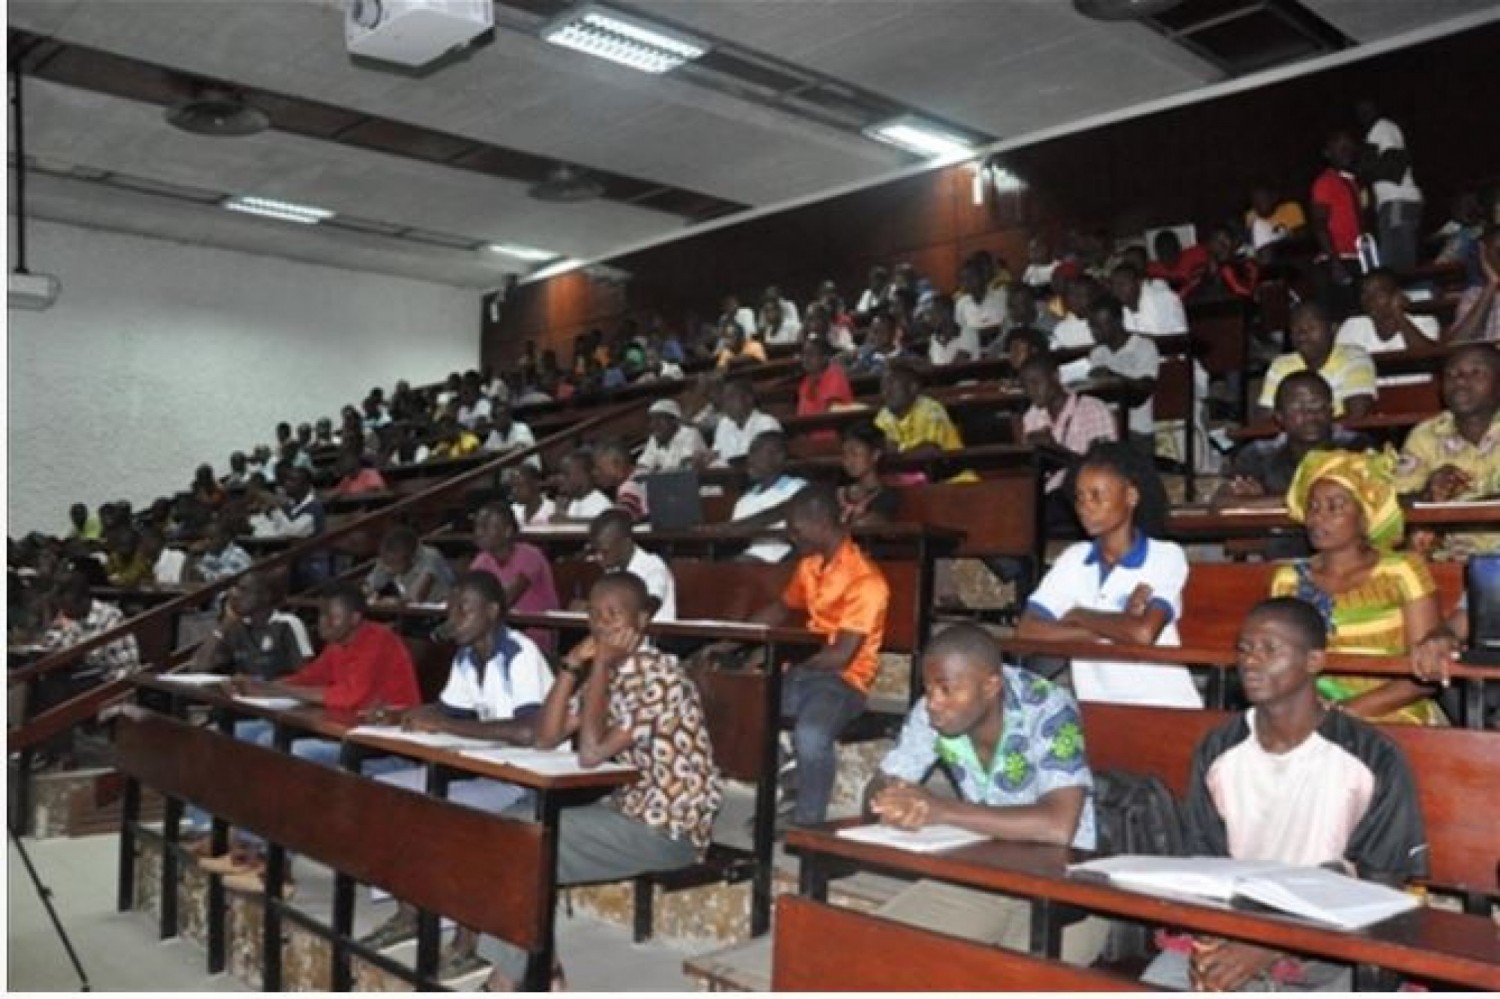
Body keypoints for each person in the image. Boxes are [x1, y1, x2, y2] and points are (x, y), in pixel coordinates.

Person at [1140, 597, 1428, 992]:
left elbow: (1379, 886)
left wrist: (1273, 943)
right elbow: (1206, 862)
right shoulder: (1220, 748)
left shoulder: (1371, 756)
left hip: (1330, 941)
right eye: (1244, 649)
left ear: (1313, 661)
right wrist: (1217, 940)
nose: (1250, 661)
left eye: (1269, 649)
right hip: (1237, 926)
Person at [481, 572, 722, 991]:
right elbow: (546, 736)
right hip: (628, 809)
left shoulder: (661, 676)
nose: (602, 625)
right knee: (511, 823)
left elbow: (591, 753)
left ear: (642, 620)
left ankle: (507, 981)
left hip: (668, 828)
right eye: (594, 614)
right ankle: (544, 970)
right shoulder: (609, 671)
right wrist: (574, 666)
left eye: (615, 614)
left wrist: (602, 669)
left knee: (523, 845)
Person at [864, 624, 1105, 965]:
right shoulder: (932, 711)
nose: (933, 703)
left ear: (991, 686)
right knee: (876, 952)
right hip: (985, 872)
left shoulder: (1048, 707)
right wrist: (891, 801)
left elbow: (1057, 826)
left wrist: (942, 810)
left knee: (1009, 979)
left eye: (947, 690)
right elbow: (883, 781)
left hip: (1068, 888)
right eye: (928, 688)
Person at [360, 572, 555, 978]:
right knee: (388, 792)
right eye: (451, 608)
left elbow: (528, 732)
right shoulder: (467, 657)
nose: (453, 618)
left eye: (463, 609)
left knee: (457, 818)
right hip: (490, 771)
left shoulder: (520, 654)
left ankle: (471, 941)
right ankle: (409, 911)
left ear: (493, 611)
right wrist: (399, 715)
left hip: (531, 781)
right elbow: (450, 713)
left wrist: (444, 727)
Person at [703, 486, 890, 827]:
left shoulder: (866, 580)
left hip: (843, 682)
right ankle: (789, 777)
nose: (790, 536)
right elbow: (780, 608)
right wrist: (731, 639)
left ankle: (808, 824)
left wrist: (775, 661)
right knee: (743, 709)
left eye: (795, 528)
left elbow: (841, 656)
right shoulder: (810, 565)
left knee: (812, 734)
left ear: (819, 524)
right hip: (804, 673)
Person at [1018, 441, 1201, 707]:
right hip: (1097, 709)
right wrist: (1119, 624)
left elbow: (1142, 635)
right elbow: (1028, 631)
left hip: (1165, 706)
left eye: (1097, 496)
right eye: (1080, 497)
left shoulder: (1165, 556)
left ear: (1131, 497)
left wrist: (1078, 615)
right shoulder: (1074, 559)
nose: (1085, 507)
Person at [1274, 449, 1446, 724]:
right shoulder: (1289, 579)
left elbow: (1424, 677)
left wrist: (1343, 712)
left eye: (1335, 506)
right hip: (1312, 710)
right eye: (1313, 507)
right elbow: (1281, 664)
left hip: (1391, 712)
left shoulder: (1402, 571)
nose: (1319, 518)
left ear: (1365, 515)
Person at [1215, 372, 1368, 556]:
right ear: (1279, 416)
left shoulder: (1356, 447)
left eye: (1318, 405)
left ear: (1332, 410)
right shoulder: (1258, 454)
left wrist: (1263, 502)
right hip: (1282, 558)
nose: (1310, 415)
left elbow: (1366, 502)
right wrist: (1319, 503)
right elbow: (1222, 506)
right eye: (1298, 407)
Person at [1394, 344, 1500, 558]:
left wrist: (1464, 506)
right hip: (1447, 560)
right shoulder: (1425, 435)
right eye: (1451, 374)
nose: (1459, 380)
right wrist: (1428, 493)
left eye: (1475, 372)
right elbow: (1394, 502)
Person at [1019, 352, 1117, 510]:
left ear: (1055, 377)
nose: (1030, 391)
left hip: (1083, 495)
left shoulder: (1091, 409)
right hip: (1045, 496)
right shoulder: (1032, 416)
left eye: (1035, 383)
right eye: (1025, 386)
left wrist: (1055, 450)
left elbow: (1103, 468)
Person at [1255, 301, 1376, 421]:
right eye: (1296, 329)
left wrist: (1312, 432)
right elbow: (1265, 419)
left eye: (1311, 327)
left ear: (1332, 329)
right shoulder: (1281, 365)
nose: (1302, 334)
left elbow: (1357, 415)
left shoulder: (1354, 357)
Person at [470, 502, 561, 654]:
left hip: (534, 635)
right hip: (498, 632)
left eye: (486, 527)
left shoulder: (530, 556)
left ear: (507, 531)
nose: (478, 532)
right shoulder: (481, 560)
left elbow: (506, 600)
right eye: (477, 526)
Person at [191, 570, 312, 678]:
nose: (235, 595)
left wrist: (267, 689)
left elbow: (306, 675)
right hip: (242, 697)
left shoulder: (287, 623)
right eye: (236, 589)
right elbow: (199, 666)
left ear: (265, 596)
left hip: (277, 697)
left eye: (244, 590)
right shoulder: (235, 627)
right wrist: (224, 625)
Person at [1085, 294, 1160, 458]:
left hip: (1136, 430)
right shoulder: (1097, 353)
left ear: (1118, 322)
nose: (1094, 331)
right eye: (1091, 326)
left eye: (1099, 325)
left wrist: (1112, 377)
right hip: (1106, 430)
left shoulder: (1143, 347)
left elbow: (1145, 389)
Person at [1356, 99, 1423, 274]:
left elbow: (1395, 167)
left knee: (1397, 264)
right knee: (1396, 261)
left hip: (1397, 199)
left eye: (1367, 109)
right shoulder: (1377, 131)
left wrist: (1365, 166)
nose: (1363, 114)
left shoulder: (1382, 127)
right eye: (1360, 111)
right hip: (1394, 202)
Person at [719, 432, 806, 563]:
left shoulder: (798, 488)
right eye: (750, 453)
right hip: (750, 559)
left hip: (787, 560)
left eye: (756, 452)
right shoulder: (745, 500)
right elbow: (735, 535)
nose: (750, 459)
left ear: (778, 457)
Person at [1309, 129, 1365, 318]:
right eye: (1340, 148)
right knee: (1341, 320)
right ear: (1327, 153)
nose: (1346, 152)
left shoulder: (1350, 182)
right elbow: (1319, 224)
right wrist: (1335, 262)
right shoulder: (1325, 182)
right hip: (1338, 261)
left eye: (1349, 147)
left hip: (1355, 258)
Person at [586, 509, 676, 620]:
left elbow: (648, 608)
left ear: (626, 544)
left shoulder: (653, 567)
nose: (598, 557)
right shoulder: (612, 569)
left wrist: (593, 608)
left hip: (655, 635)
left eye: (605, 551)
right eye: (595, 551)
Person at [1335, 268, 1441, 362]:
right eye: (1364, 293)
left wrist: (1399, 314)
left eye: (1379, 294)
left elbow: (1427, 358)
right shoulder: (1353, 326)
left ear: (1397, 294)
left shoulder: (1424, 322)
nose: (1369, 300)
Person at [874, 362, 965, 460]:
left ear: (913, 388)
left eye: (892, 386)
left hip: (949, 471)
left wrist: (898, 458)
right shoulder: (884, 414)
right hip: (908, 471)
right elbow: (886, 448)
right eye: (883, 387)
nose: (886, 392)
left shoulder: (931, 409)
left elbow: (931, 449)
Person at [364, 526, 455, 607]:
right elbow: (369, 586)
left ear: (412, 559)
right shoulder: (388, 557)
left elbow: (416, 598)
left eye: (393, 563)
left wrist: (394, 602)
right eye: (385, 562)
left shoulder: (430, 557)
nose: (387, 568)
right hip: (411, 614)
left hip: (439, 611)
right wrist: (369, 593)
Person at [836, 421, 901, 526]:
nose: (848, 461)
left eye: (855, 453)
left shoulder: (887, 496)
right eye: (844, 454)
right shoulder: (838, 493)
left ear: (875, 455)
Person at [709, 380, 782, 466]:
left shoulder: (767, 424)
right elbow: (717, 453)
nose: (726, 405)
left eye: (731, 398)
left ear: (748, 399)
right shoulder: (724, 424)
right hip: (727, 476)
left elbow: (767, 463)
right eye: (724, 400)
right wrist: (706, 458)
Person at [1448, 225, 1500, 343]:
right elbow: (1457, 343)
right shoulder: (1474, 295)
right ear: (1484, 254)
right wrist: (1491, 285)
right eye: (1499, 252)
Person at [637, 399, 708, 473]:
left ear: (674, 421)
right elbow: (643, 466)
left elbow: (687, 467)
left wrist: (656, 472)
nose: (653, 425)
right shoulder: (655, 438)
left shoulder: (690, 434)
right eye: (652, 420)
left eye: (659, 419)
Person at [591, 440, 650, 522]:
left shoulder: (629, 487)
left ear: (617, 464)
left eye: (599, 467)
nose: (595, 473)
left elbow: (620, 521)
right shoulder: (643, 472)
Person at [796, 336, 854, 419]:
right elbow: (801, 415)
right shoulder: (806, 380)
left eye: (811, 354)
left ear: (825, 357)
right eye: (804, 354)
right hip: (809, 427)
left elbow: (831, 415)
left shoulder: (835, 376)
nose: (805, 358)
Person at [1244, 180, 1307, 254]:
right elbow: (1250, 245)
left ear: (1274, 198)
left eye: (1262, 200)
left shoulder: (1290, 209)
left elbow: (1303, 237)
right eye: (1255, 201)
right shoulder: (1252, 216)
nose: (1258, 206)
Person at [550, 450, 613, 523]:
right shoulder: (572, 502)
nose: (559, 479)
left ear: (584, 475)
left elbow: (601, 525)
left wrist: (567, 521)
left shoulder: (602, 504)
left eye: (566, 474)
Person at [186, 518, 253, 585]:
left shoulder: (237, 555)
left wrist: (205, 577)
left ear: (225, 537)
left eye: (211, 538)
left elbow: (228, 581)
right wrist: (190, 554)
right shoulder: (207, 555)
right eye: (204, 538)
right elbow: (187, 579)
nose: (206, 542)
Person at [1146, 230, 1210, 294]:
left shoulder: (1194, 255)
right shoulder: (1151, 270)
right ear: (1157, 253)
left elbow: (1211, 254)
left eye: (1171, 249)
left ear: (1179, 247)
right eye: (1163, 252)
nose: (1168, 255)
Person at [923, 295, 979, 366]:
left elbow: (955, 369)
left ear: (947, 312)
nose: (929, 318)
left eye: (933, 312)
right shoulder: (934, 338)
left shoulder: (968, 333)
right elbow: (929, 366)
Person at [482, 403, 540, 469]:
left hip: (528, 469)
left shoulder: (521, 427)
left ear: (507, 417)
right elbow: (485, 452)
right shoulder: (494, 433)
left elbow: (517, 454)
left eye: (496, 417)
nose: (493, 421)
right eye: (493, 417)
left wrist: (494, 454)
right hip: (508, 470)